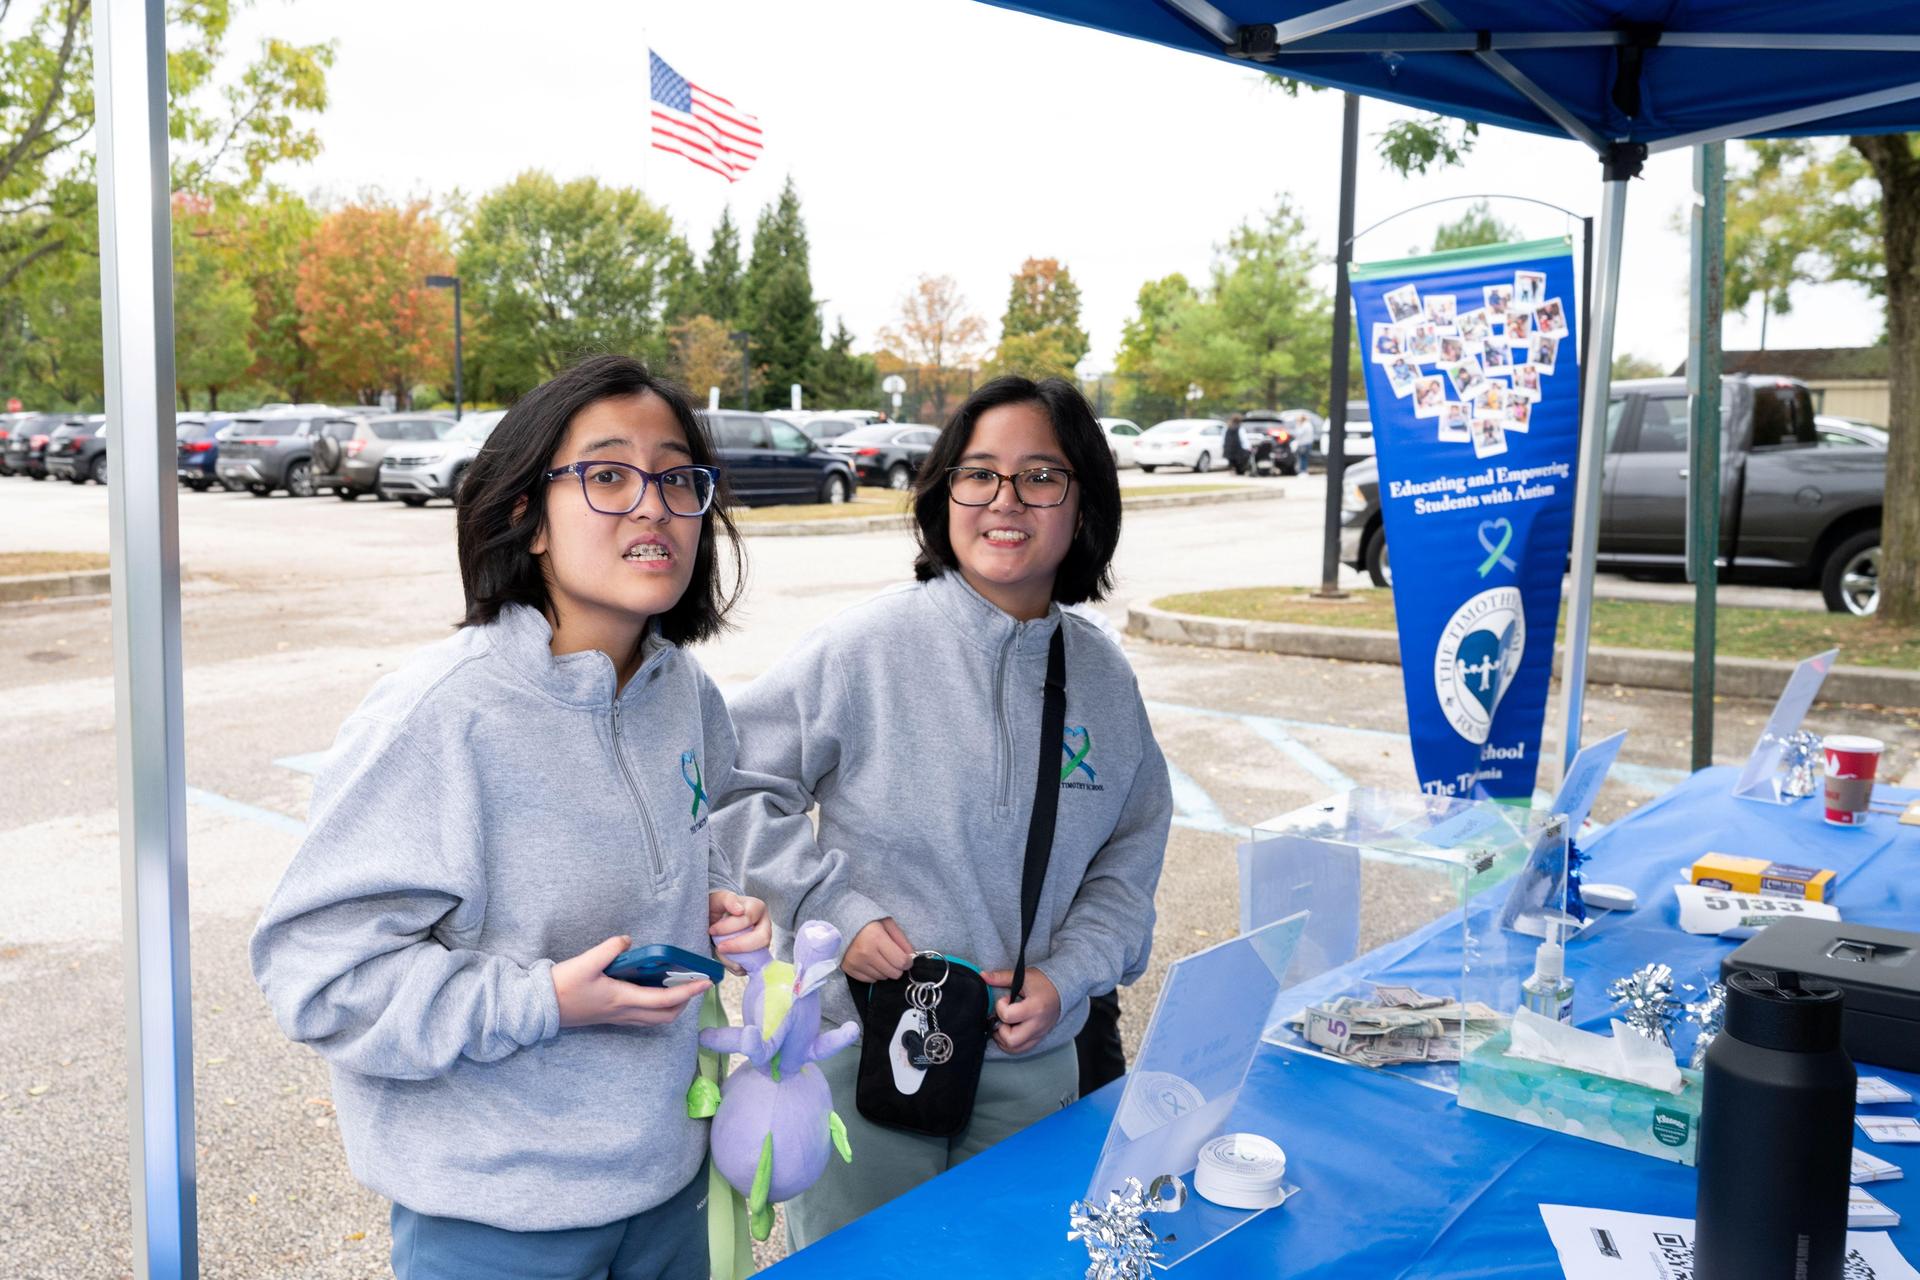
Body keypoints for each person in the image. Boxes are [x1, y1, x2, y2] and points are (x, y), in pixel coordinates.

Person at [250, 354, 771, 1280]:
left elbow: (701, 835)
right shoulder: (441, 715)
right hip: (495, 1224)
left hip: (670, 1188)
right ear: (527, 516)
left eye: (677, 477)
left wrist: (715, 901)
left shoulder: (684, 693)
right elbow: (318, 978)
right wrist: (544, 1002)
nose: (652, 505)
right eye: (608, 475)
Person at [715, 375, 1173, 1248]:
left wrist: (1068, 974)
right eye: (979, 474)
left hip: (1032, 1067)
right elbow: (737, 783)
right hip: (871, 1060)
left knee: (1019, 1261)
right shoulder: (867, 648)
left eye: (1041, 476)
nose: (1006, 501)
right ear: (944, 494)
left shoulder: (1106, 683)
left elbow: (1129, 858)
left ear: (1084, 504)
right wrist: (830, 913)